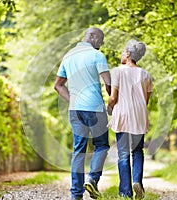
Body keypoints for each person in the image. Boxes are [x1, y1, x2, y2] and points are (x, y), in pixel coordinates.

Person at [54, 27, 111, 200]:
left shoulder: (69, 55)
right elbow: (109, 84)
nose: (101, 44)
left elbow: (58, 85)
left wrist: (72, 99)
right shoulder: (97, 56)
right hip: (95, 108)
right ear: (92, 37)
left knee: (78, 150)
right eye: (100, 40)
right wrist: (113, 102)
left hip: (75, 109)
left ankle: (76, 194)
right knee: (102, 145)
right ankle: (93, 179)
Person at [107, 39, 153, 199]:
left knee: (123, 154)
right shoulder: (146, 74)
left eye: (122, 52)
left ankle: (125, 192)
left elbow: (113, 97)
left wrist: (109, 107)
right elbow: (145, 101)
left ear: (127, 54)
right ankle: (137, 181)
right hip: (139, 116)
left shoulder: (118, 71)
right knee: (138, 151)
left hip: (123, 115)